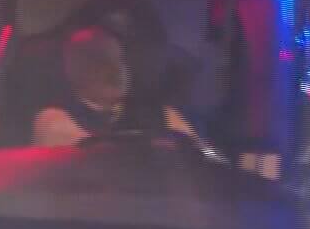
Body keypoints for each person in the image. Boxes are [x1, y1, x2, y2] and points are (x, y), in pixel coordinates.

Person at [32, 25, 195, 147]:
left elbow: (209, 158)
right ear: (72, 68)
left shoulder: (165, 116)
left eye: (120, 60)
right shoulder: (54, 120)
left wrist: (185, 147)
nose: (115, 71)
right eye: (101, 61)